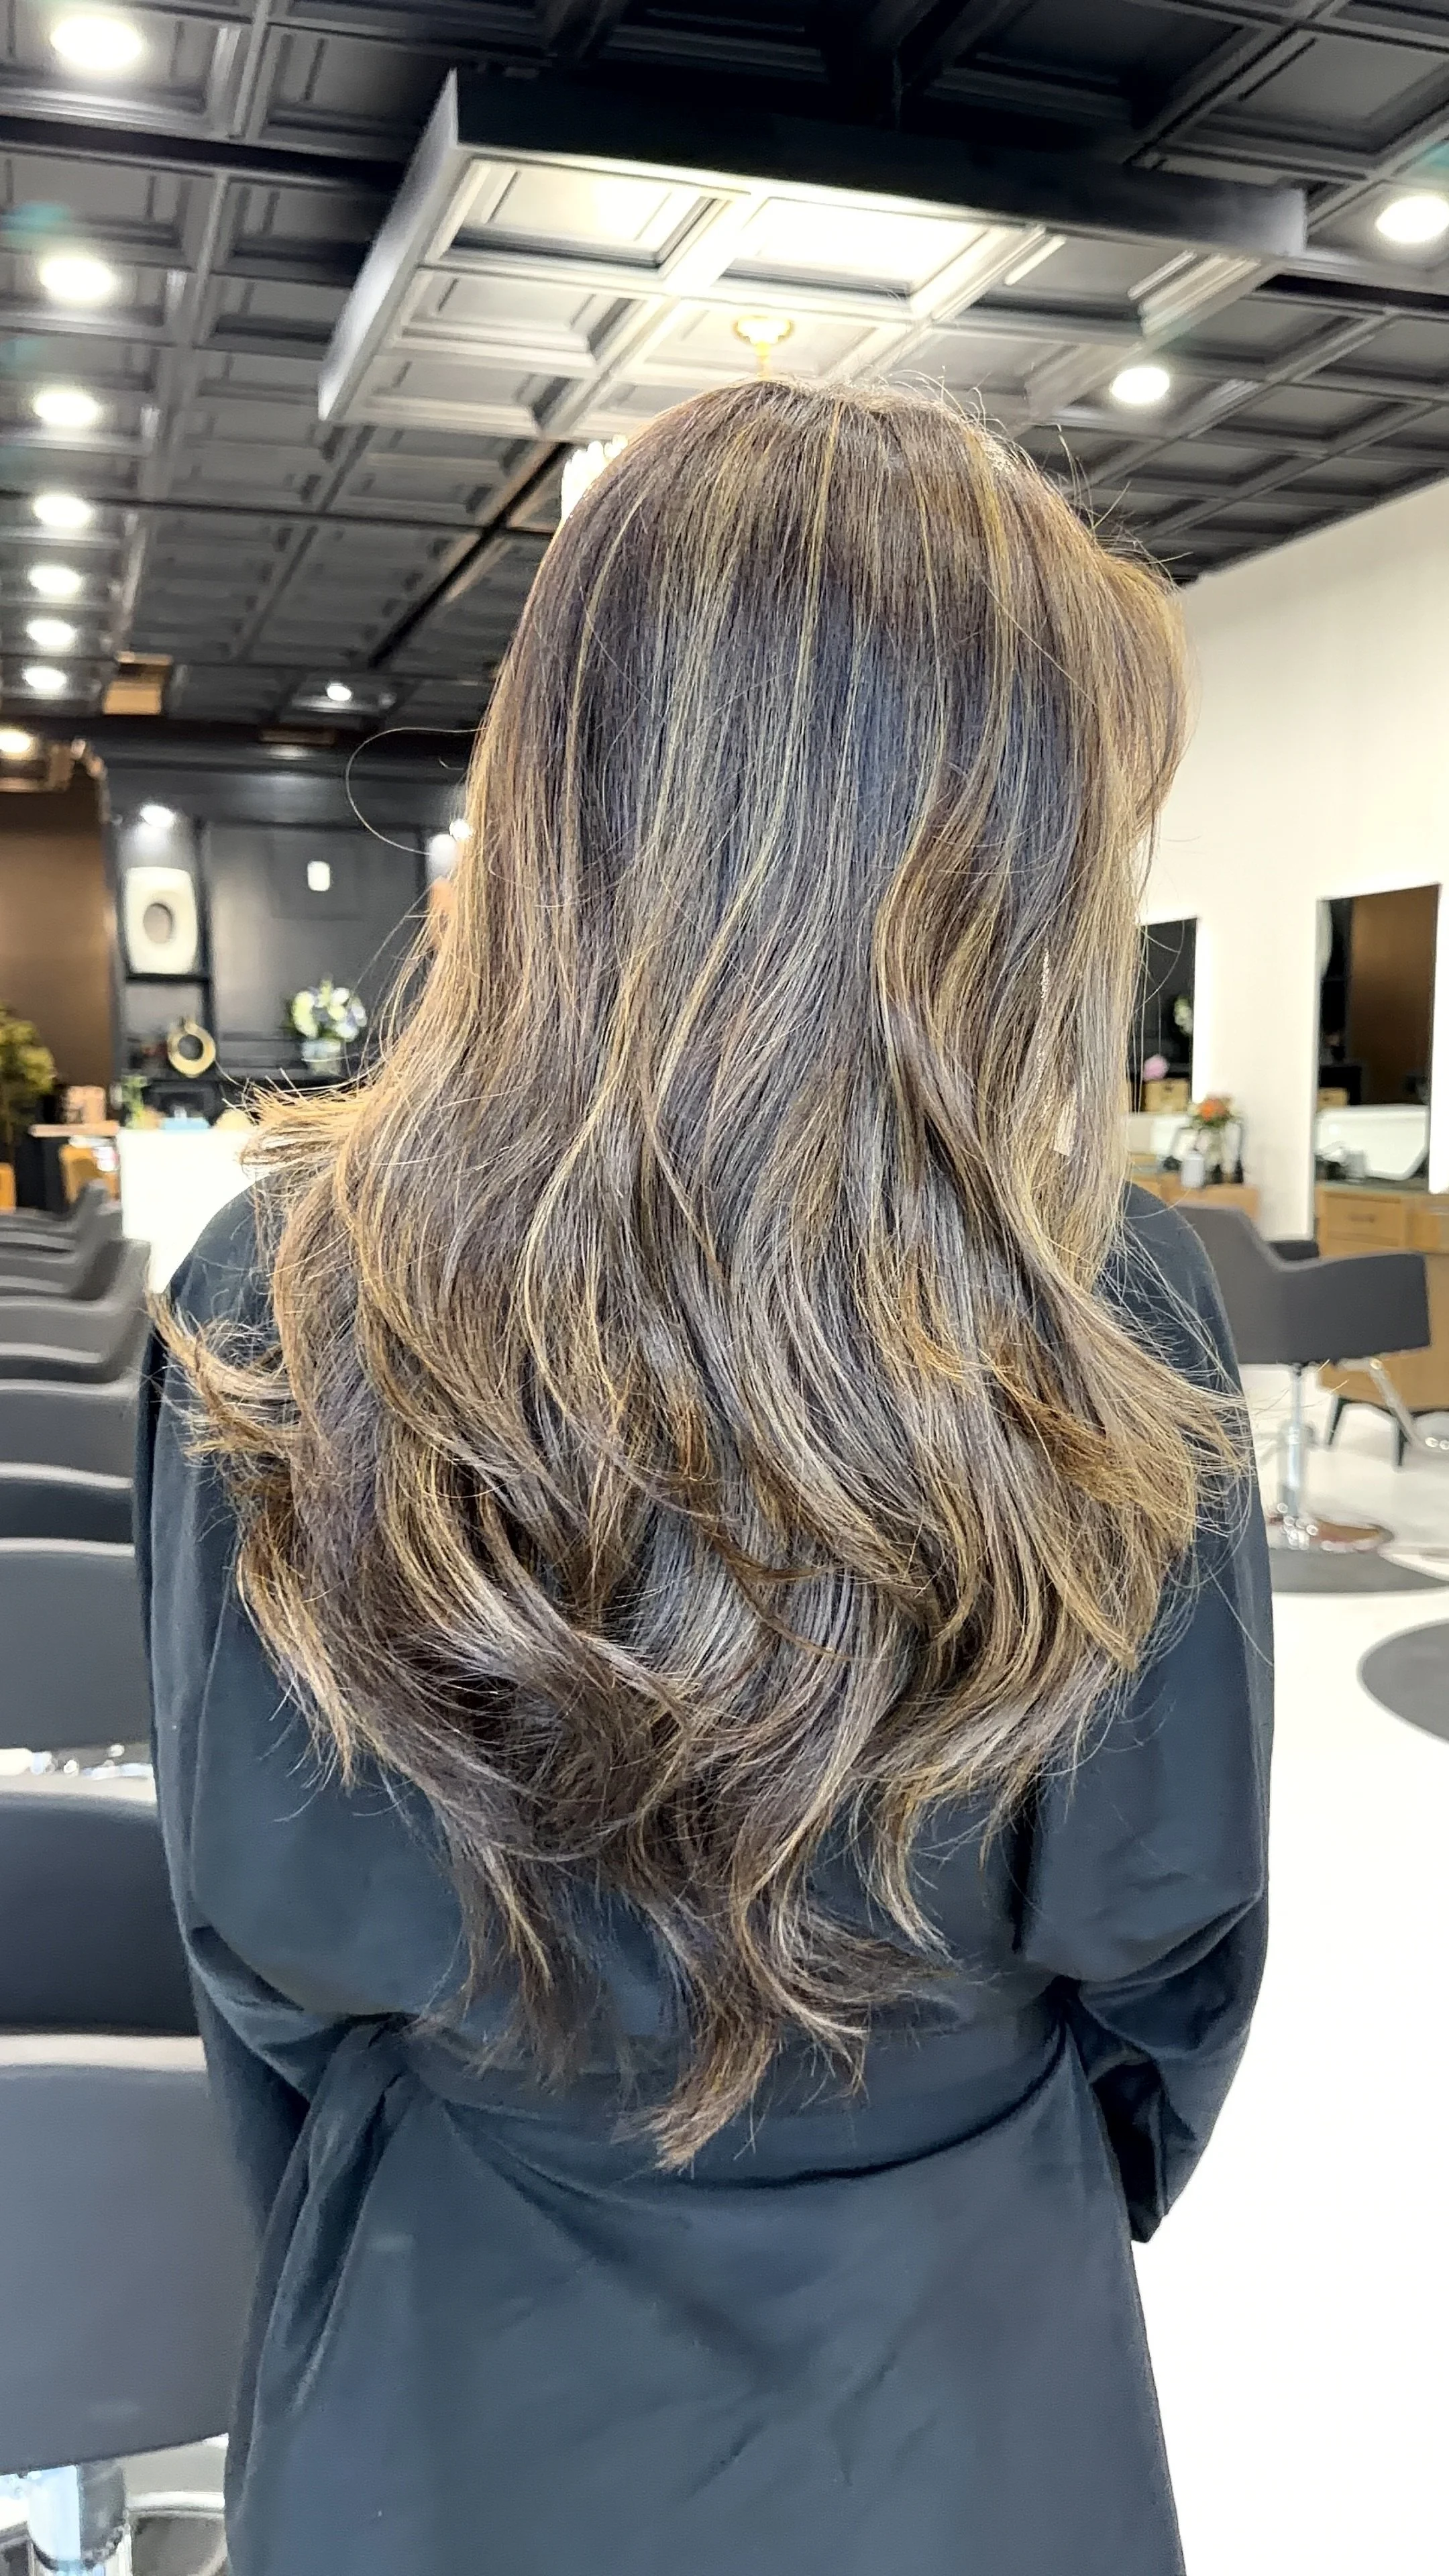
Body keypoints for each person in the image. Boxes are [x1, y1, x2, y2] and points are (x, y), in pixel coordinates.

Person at [140, 379, 1272, 2576]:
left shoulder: (281, 1296)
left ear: (564, 780)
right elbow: (1169, 1959)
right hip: (964, 2354)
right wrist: (963, 2162)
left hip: (447, 2339)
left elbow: (258, 1958)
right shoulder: (1119, 1302)